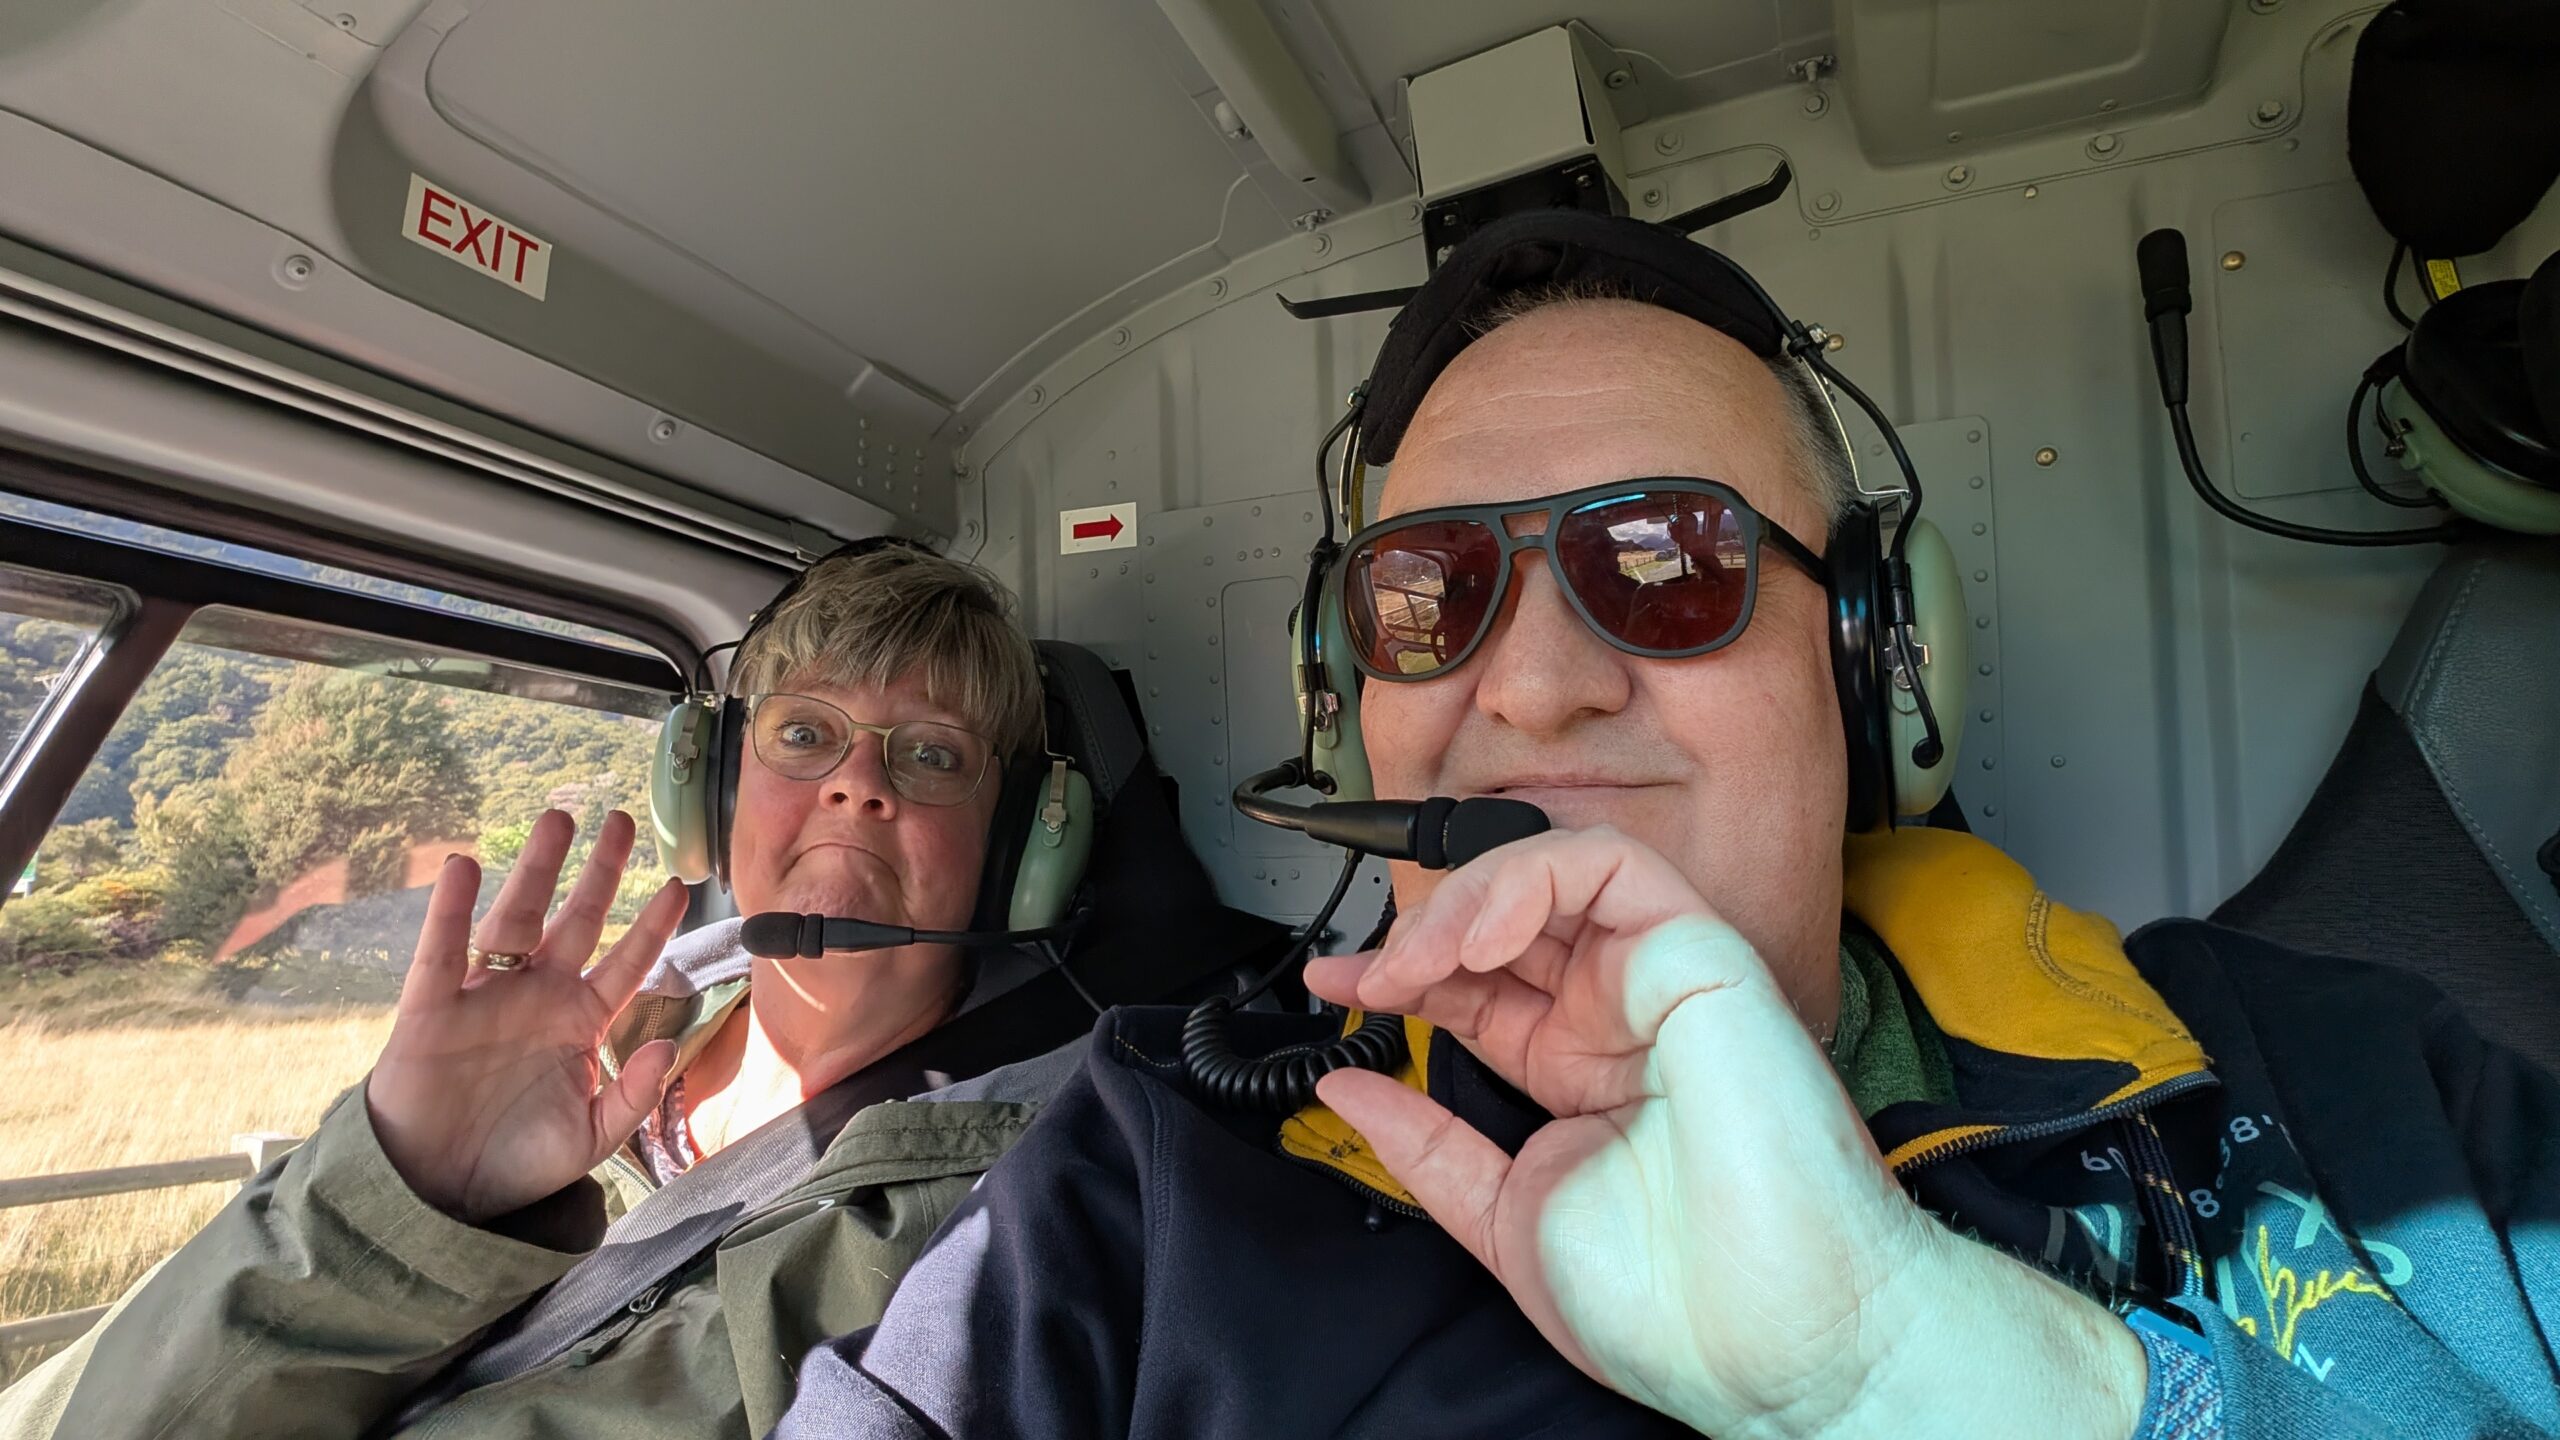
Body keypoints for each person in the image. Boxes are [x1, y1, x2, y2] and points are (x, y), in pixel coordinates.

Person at [778, 215, 2560, 1439]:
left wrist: (1969, 1384)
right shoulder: (1145, 1177)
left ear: (1875, 666)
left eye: (1668, 564)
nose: (1538, 685)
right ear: (1349, 698)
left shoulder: (2353, 1088)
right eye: (1430, 591)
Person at [0, 543, 1061, 1439]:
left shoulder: (1012, 1207)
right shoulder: (570, 1054)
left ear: (1015, 843)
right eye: (803, 733)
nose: (857, 782)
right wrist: (401, 1197)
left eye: (933, 754)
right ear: (713, 785)